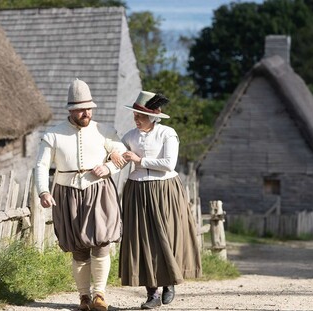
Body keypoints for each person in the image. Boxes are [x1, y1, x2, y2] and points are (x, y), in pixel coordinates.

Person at [35, 79, 127, 311]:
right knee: (78, 248)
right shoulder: (53, 135)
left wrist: (108, 168)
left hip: (99, 191)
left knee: (102, 243)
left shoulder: (105, 131)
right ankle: (84, 297)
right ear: (71, 110)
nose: (86, 112)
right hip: (67, 194)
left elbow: (123, 154)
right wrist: (43, 191)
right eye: (81, 109)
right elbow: (41, 166)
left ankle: (100, 295)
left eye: (89, 108)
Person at [115, 91, 202, 309]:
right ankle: (151, 293)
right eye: (135, 115)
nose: (137, 119)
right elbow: (119, 159)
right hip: (137, 191)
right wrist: (110, 160)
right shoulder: (129, 136)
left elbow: (169, 163)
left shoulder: (167, 133)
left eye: (141, 115)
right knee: (142, 239)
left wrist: (140, 159)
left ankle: (169, 282)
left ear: (154, 116)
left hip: (165, 190)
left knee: (167, 236)